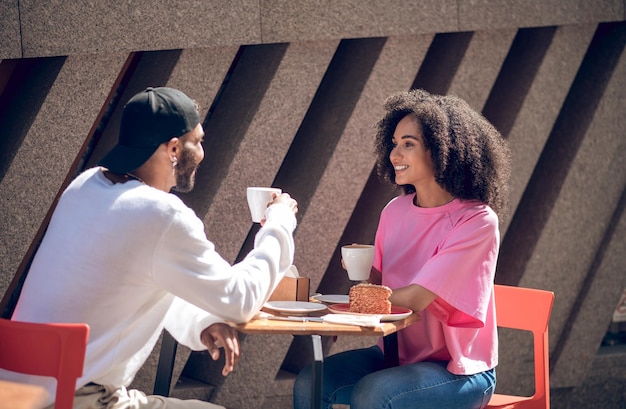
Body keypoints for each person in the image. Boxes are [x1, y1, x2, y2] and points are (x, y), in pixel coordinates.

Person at [5, 87, 298, 409]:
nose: (202, 152)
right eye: (198, 141)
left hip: (15, 392)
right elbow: (240, 299)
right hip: (78, 401)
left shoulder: (85, 187)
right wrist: (279, 222)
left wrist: (201, 321)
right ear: (174, 148)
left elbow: (133, 283)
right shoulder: (161, 213)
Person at [294, 89, 511, 409]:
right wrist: (353, 303)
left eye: (408, 144)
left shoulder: (477, 221)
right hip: (394, 356)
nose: (395, 154)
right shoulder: (394, 211)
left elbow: (415, 298)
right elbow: (380, 293)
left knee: (376, 393)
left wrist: (351, 304)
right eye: (394, 143)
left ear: (441, 150)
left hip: (460, 370)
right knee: (311, 381)